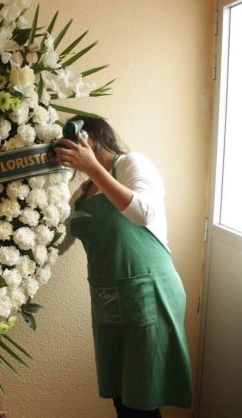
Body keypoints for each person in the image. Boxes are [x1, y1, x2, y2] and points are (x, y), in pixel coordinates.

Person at [54, 116, 192, 418]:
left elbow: (144, 212)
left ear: (88, 137)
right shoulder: (83, 193)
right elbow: (63, 241)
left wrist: (93, 168)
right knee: (121, 397)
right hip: (108, 302)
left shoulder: (132, 164)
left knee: (142, 401)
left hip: (147, 296)